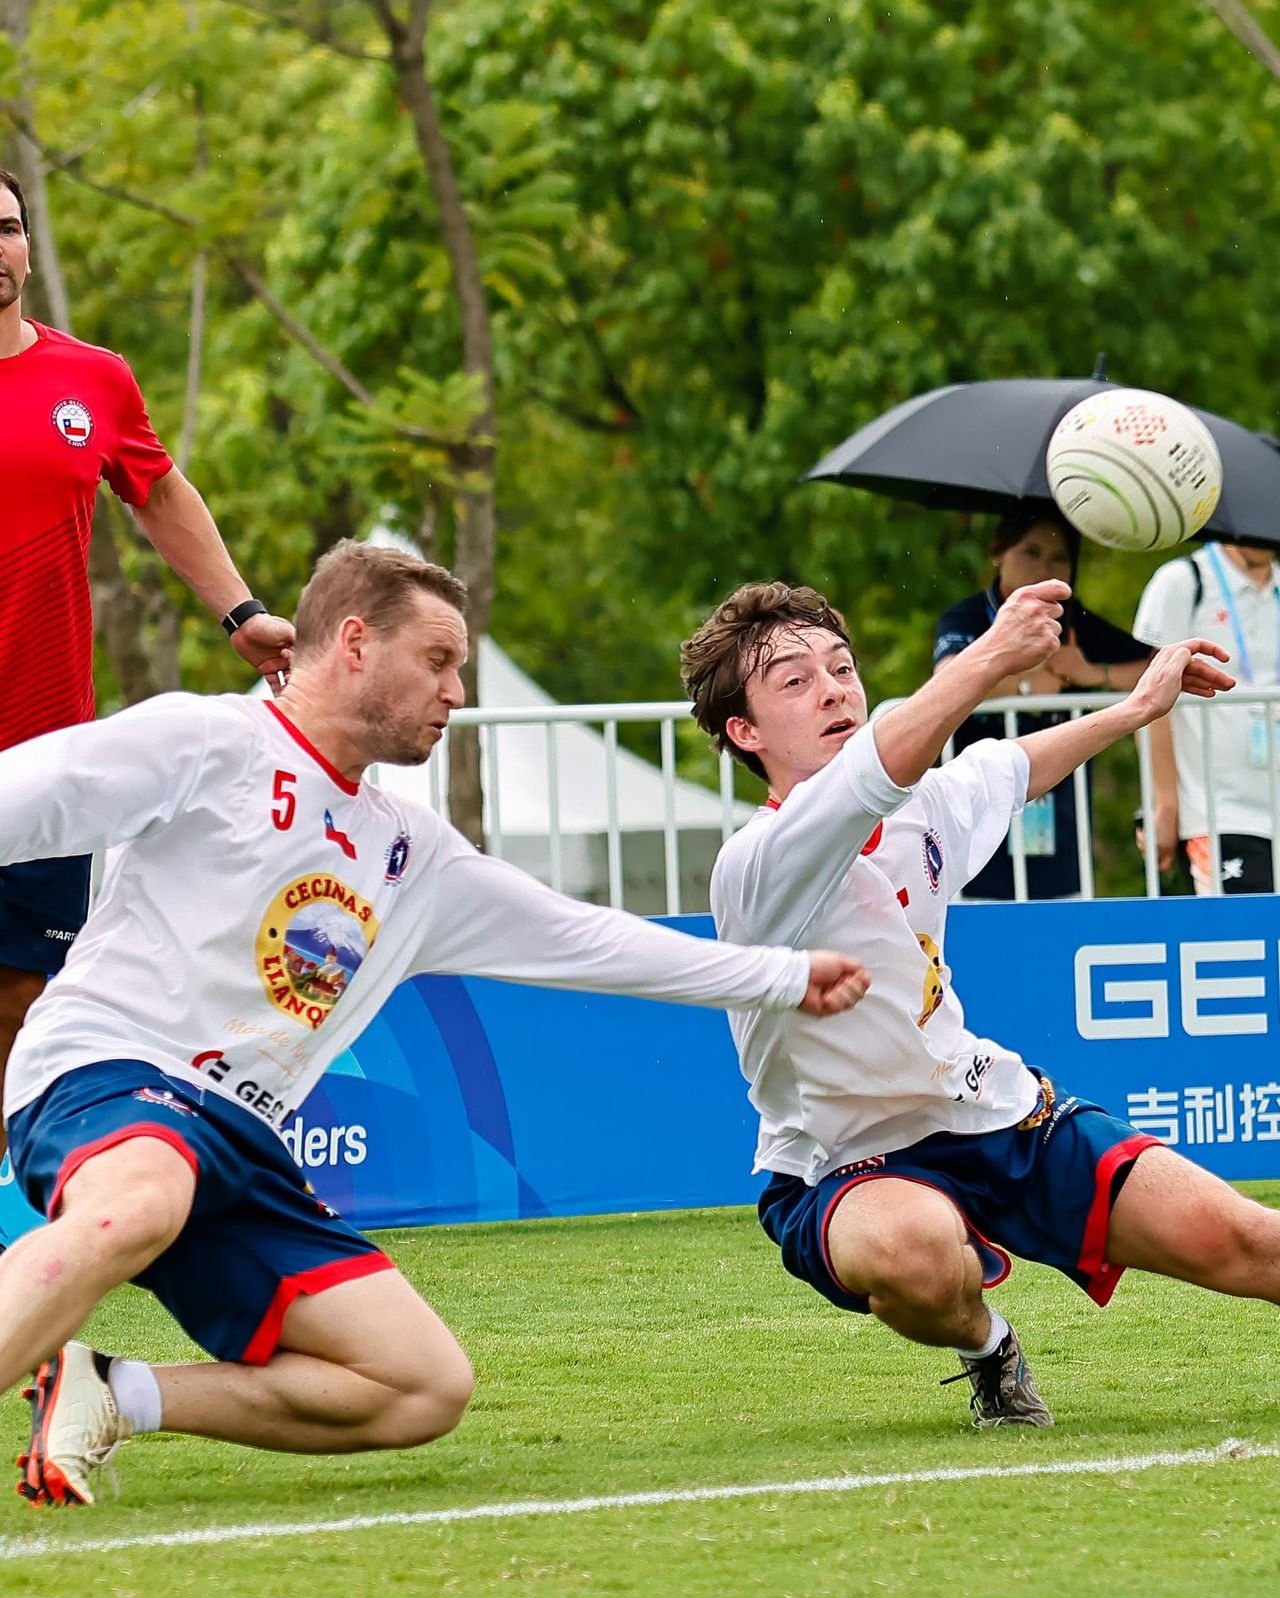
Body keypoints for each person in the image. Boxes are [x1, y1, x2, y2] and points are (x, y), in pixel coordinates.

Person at [0, 542, 871, 1508]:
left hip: (238, 1140)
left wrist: (779, 976)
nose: (457, 690)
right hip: (105, 1071)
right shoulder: (205, 742)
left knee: (419, 1385)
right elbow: (17, 802)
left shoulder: (412, 853)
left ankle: (111, 1392)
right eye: (440, 660)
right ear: (356, 644)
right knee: (140, 1202)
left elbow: (588, 940)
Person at [678, 575, 1280, 1430]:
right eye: (796, 681)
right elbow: (879, 766)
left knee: (1248, 1242)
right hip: (842, 1159)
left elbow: (1012, 767)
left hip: (992, 1110)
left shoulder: (922, 806)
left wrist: (1138, 708)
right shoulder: (758, 863)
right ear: (745, 731)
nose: (834, 690)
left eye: (842, 668)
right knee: (920, 1256)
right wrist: (995, 652)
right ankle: (989, 1348)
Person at [0, 168, 294, 1176]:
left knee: (21, 1000)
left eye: (7, 228)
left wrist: (242, 613)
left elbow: (160, 492)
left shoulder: (93, 379)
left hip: (47, 752)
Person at [932, 506, 1152, 898]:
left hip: (1062, 834)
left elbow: (1157, 667)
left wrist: (1092, 674)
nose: (1044, 568)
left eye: (1058, 558)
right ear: (998, 551)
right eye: (1031, 552)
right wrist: (1026, 685)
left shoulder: (1076, 622)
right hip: (974, 838)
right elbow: (946, 678)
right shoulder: (966, 617)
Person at [1133, 540, 1280, 894]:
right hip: (1216, 813)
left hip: (1272, 804)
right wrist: (1164, 804)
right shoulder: (1183, 580)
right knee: (1239, 929)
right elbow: (1150, 701)